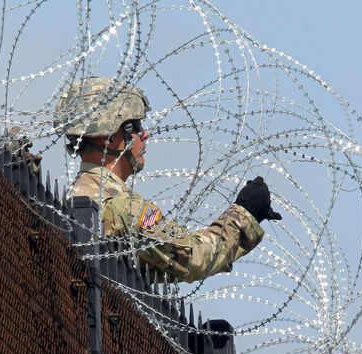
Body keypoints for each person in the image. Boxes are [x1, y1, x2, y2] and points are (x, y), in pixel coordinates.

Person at [55, 77, 282, 283]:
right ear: (108, 138)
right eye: (135, 126)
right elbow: (192, 257)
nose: (144, 134)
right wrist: (243, 215)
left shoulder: (74, 195)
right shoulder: (122, 208)